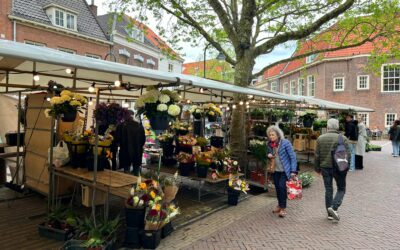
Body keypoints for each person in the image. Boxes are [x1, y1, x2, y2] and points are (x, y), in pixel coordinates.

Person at [315, 118, 350, 221]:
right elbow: (348, 154)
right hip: (339, 167)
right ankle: (334, 207)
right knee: (341, 188)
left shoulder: (320, 138)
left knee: (328, 189)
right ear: (337, 126)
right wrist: (347, 167)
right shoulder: (343, 138)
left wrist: (317, 168)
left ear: (327, 126)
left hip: (325, 167)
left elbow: (317, 155)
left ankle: (329, 214)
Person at [267, 125, 297, 218]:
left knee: (282, 187)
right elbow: (268, 153)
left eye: (273, 135)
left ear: (278, 134)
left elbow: (293, 157)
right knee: (277, 187)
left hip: (285, 170)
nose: (271, 137)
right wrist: (268, 154)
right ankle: (279, 205)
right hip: (275, 170)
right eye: (270, 135)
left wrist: (293, 171)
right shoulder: (269, 144)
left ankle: (283, 208)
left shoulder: (285, 143)